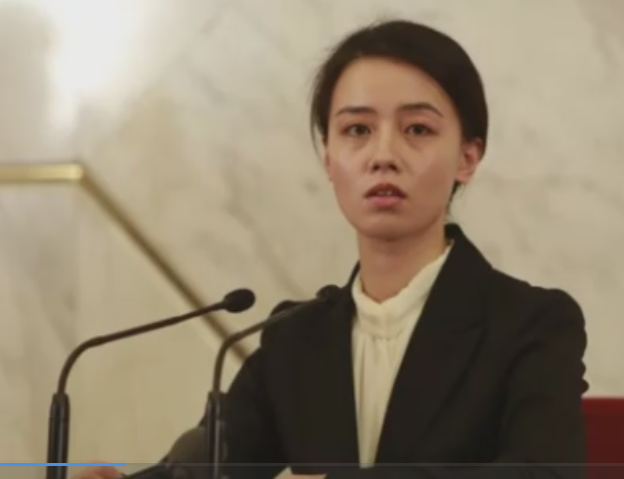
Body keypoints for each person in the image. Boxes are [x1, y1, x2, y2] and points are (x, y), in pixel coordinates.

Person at [75, 19, 588, 479]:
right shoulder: (295, 337)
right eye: (357, 130)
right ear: (328, 158)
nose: (383, 155)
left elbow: (543, 473)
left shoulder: (531, 323)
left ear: (467, 158)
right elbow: (213, 464)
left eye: (417, 129)